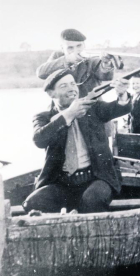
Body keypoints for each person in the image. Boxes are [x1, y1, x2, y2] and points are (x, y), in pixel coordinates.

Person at [23, 69, 132, 214]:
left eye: (73, 84)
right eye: (64, 86)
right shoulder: (43, 117)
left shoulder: (93, 108)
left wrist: (122, 94)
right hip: (62, 183)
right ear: (51, 93)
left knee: (92, 200)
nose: (72, 89)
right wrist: (69, 114)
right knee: (33, 203)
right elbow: (39, 140)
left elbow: (119, 108)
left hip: (97, 178)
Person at [36, 28, 114, 98]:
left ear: (84, 45)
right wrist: (67, 59)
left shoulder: (91, 58)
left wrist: (106, 63)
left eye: (79, 46)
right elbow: (41, 73)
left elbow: (107, 77)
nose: (76, 50)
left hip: (91, 105)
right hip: (64, 106)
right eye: (70, 48)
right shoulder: (58, 56)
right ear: (62, 48)